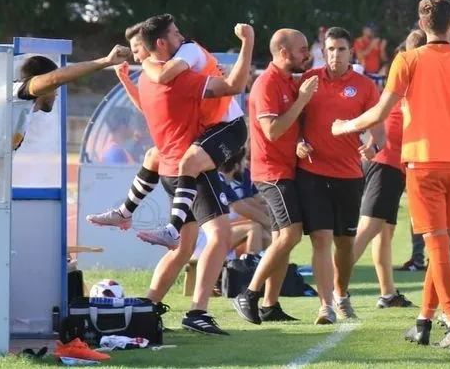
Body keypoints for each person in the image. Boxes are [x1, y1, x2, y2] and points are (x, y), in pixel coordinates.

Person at [332, 0, 450, 350]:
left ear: (422, 25)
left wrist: (345, 125)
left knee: (436, 247)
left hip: (423, 162)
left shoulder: (407, 60)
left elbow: (378, 114)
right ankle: (423, 321)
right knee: (442, 246)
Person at [135, 22, 254, 335]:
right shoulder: (182, 74)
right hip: (193, 166)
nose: (182, 36)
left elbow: (150, 95)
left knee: (183, 248)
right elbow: (233, 86)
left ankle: (147, 308)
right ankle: (197, 311)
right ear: (162, 44)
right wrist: (247, 43)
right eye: (175, 34)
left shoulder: (146, 78)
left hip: (172, 168)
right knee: (220, 236)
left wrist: (144, 61)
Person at [88, 17, 245, 235]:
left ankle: (170, 229)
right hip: (205, 132)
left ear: (153, 45)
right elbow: (147, 106)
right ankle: (130, 214)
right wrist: (127, 81)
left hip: (223, 128)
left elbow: (163, 76)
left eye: (137, 50)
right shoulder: (158, 73)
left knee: (218, 236)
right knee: (155, 155)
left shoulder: (183, 55)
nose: (135, 57)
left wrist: (248, 43)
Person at [295, 26, 382, 325]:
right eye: (330, 49)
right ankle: (324, 306)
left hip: (349, 174)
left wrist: (374, 144)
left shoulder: (364, 85)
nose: (335, 55)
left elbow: (378, 123)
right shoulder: (308, 80)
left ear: (351, 52)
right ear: (323, 51)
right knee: (321, 238)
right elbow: (295, 118)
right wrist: (298, 144)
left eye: (341, 49)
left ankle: (341, 295)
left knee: (345, 242)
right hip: (312, 173)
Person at [232, 28, 317, 325]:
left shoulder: (287, 82)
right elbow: (271, 130)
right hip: (271, 172)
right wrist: (302, 100)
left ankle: (269, 304)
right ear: (284, 53)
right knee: (290, 234)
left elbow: (287, 130)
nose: (308, 53)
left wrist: (299, 144)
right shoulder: (267, 83)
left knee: (285, 237)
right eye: (302, 48)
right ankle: (250, 294)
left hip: (285, 168)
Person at [0, 45, 130, 197]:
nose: (57, 93)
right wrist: (106, 61)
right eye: (55, 88)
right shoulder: (16, 93)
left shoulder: (18, 115)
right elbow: (53, 79)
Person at [351, 30, 427, 310]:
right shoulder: (413, 76)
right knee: (369, 228)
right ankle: (334, 289)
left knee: (384, 232)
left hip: (390, 159)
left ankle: (387, 293)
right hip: (388, 161)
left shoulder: (405, 73)